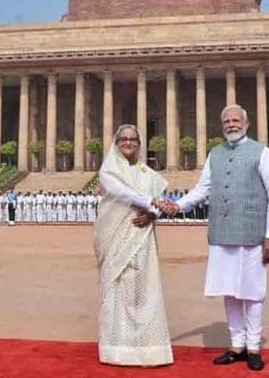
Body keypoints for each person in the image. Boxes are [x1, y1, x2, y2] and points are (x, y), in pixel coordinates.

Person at [161, 105, 269, 371]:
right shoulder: (215, 154)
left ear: (246, 123)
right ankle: (236, 345)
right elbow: (202, 189)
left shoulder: (261, 152)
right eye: (226, 121)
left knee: (252, 293)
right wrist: (179, 205)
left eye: (235, 120)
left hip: (253, 232)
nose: (231, 124)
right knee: (229, 291)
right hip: (222, 232)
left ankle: (253, 347)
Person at [94, 124, 172, 367]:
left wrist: (152, 214)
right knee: (117, 288)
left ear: (139, 143)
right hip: (115, 237)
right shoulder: (108, 170)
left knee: (143, 289)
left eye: (133, 139)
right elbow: (122, 193)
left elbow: (152, 208)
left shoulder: (147, 174)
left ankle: (148, 349)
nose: (128, 143)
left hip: (142, 237)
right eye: (123, 139)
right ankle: (116, 348)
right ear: (116, 144)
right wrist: (153, 202)